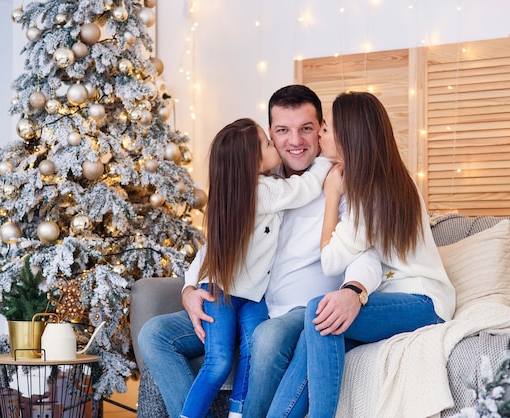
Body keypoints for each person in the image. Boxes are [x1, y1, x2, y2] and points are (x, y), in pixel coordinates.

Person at [137, 85, 381, 417]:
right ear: (270, 135)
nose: (295, 140)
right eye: (282, 131)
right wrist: (190, 289)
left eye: (306, 128)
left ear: (322, 130)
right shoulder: (259, 180)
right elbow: (220, 241)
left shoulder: (340, 184)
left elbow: (365, 249)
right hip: (238, 298)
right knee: (154, 334)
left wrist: (355, 290)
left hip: (290, 310)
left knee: (263, 339)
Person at [266, 91, 456, 417]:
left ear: (347, 137)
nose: (320, 134)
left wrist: (331, 196)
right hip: (396, 298)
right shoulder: (382, 180)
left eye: (326, 129)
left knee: (319, 311)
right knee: (313, 339)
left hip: (423, 301)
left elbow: (330, 261)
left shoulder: (371, 194)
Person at [178, 118, 332, 418]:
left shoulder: (244, 188)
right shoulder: (261, 191)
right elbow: (308, 187)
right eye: (267, 142)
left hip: (253, 294)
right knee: (219, 361)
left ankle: (239, 413)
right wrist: (327, 158)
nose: (276, 144)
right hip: (220, 292)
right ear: (251, 161)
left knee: (254, 349)